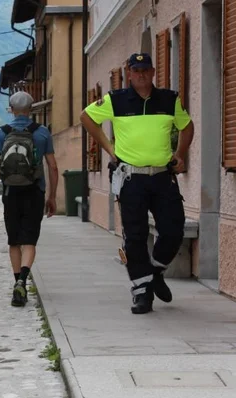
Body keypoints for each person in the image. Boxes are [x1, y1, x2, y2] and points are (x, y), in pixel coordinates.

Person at [80, 52, 193, 315]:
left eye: (145, 70)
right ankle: (142, 292)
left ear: (153, 72)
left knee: (174, 229)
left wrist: (180, 154)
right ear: (129, 73)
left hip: (163, 176)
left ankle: (155, 272)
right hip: (131, 178)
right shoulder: (115, 100)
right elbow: (86, 117)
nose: (141, 75)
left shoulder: (169, 99)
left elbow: (187, 127)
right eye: (136, 70)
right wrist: (109, 149)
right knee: (135, 236)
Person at [0, 91, 58, 307]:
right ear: (31, 109)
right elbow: (53, 166)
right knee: (29, 240)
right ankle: (22, 281)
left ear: (11, 109)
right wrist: (52, 196)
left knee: (14, 241)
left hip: (11, 192)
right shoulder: (42, 132)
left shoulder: (2, 132)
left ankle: (18, 283)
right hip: (34, 191)